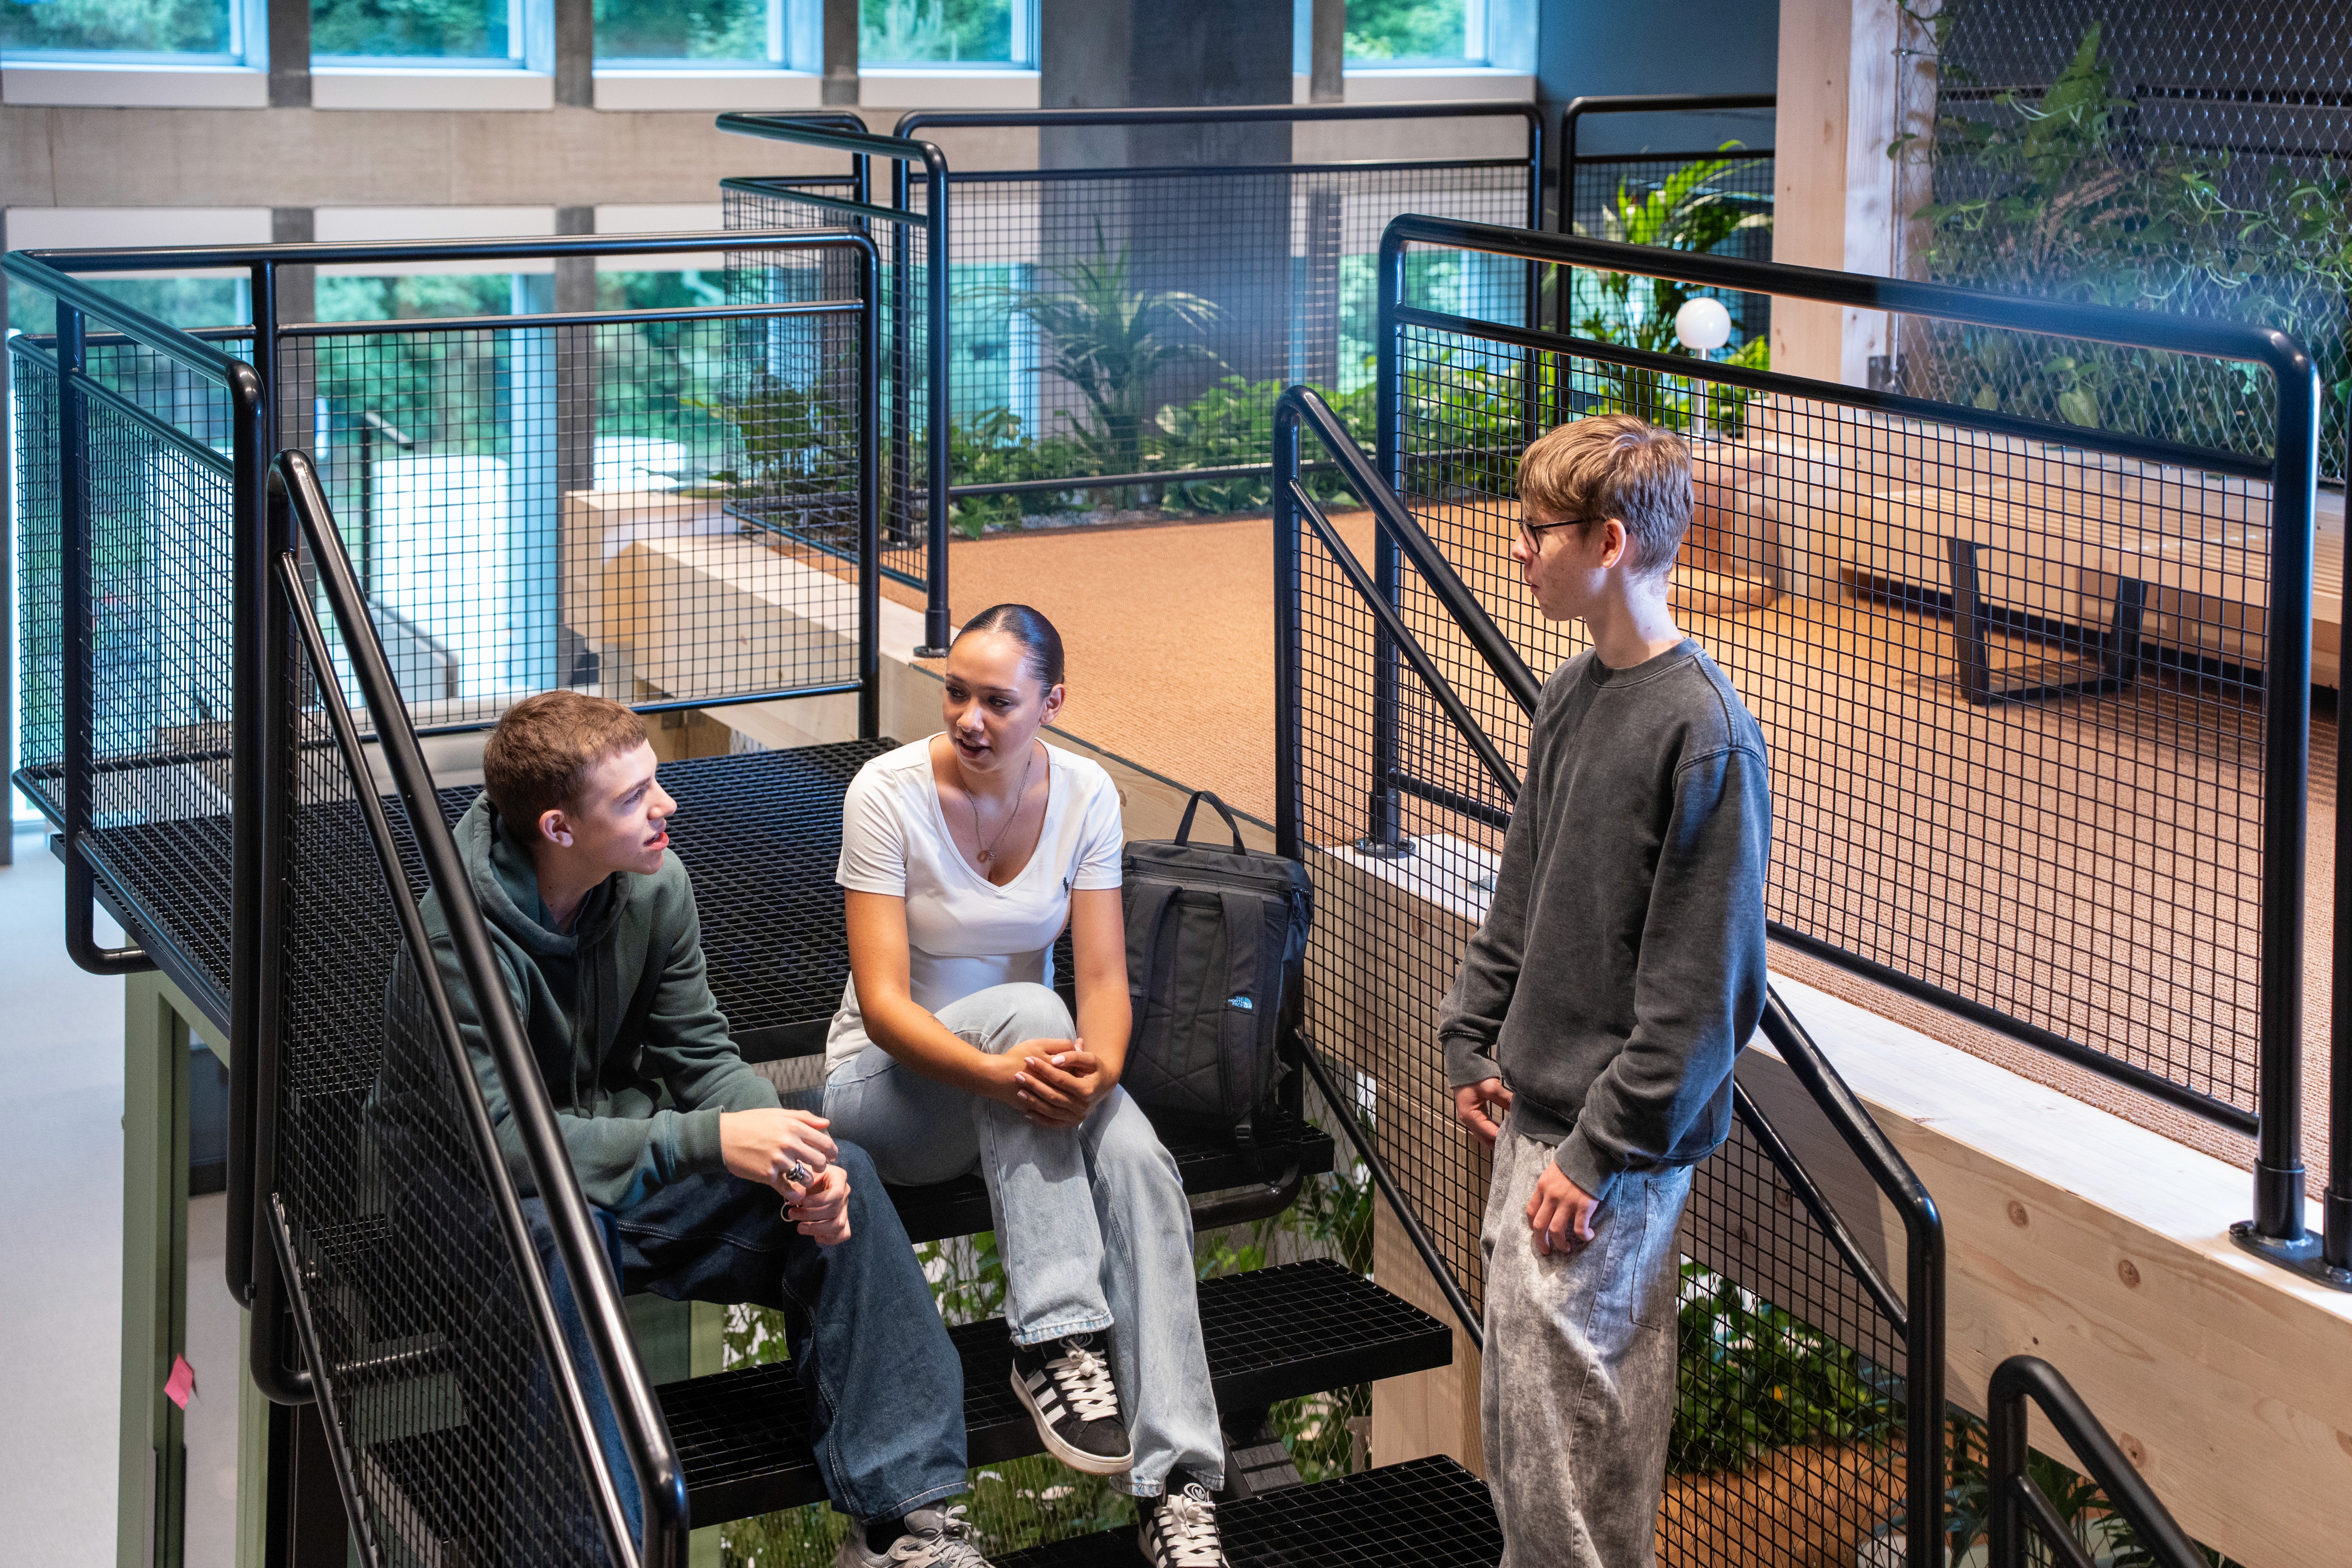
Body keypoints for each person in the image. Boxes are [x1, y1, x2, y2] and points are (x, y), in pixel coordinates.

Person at [414, 690, 994, 1568]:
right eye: (632, 798)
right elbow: (509, 1146)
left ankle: (905, 1524)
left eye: (657, 780)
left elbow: (701, 1056)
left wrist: (788, 1153)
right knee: (562, 1240)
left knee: (848, 1169)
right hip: (465, 1193)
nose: (667, 806)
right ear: (559, 829)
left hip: (617, 1150)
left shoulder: (654, 882)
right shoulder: (456, 942)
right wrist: (709, 1142)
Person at [821, 604, 1230, 1568]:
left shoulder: (1087, 793)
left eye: (997, 701)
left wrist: (1103, 1077)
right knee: (1035, 1019)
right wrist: (1011, 1069)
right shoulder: (885, 792)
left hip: (1023, 1081)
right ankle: (1053, 1338)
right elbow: (882, 1007)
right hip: (889, 1097)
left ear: (1051, 703)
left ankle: (1178, 1485)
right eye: (956, 692)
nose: (968, 717)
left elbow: (1101, 985)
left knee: (1138, 1157)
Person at [1441, 415, 1770, 1568]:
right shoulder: (1574, 689)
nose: (1519, 551)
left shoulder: (1705, 734)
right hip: (1535, 1123)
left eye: (1537, 532)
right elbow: (1526, 881)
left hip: (1605, 1162)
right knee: (1524, 1453)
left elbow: (1705, 992)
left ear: (1612, 541)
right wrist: (1472, 1030)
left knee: (1579, 1468)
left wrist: (1598, 1150)